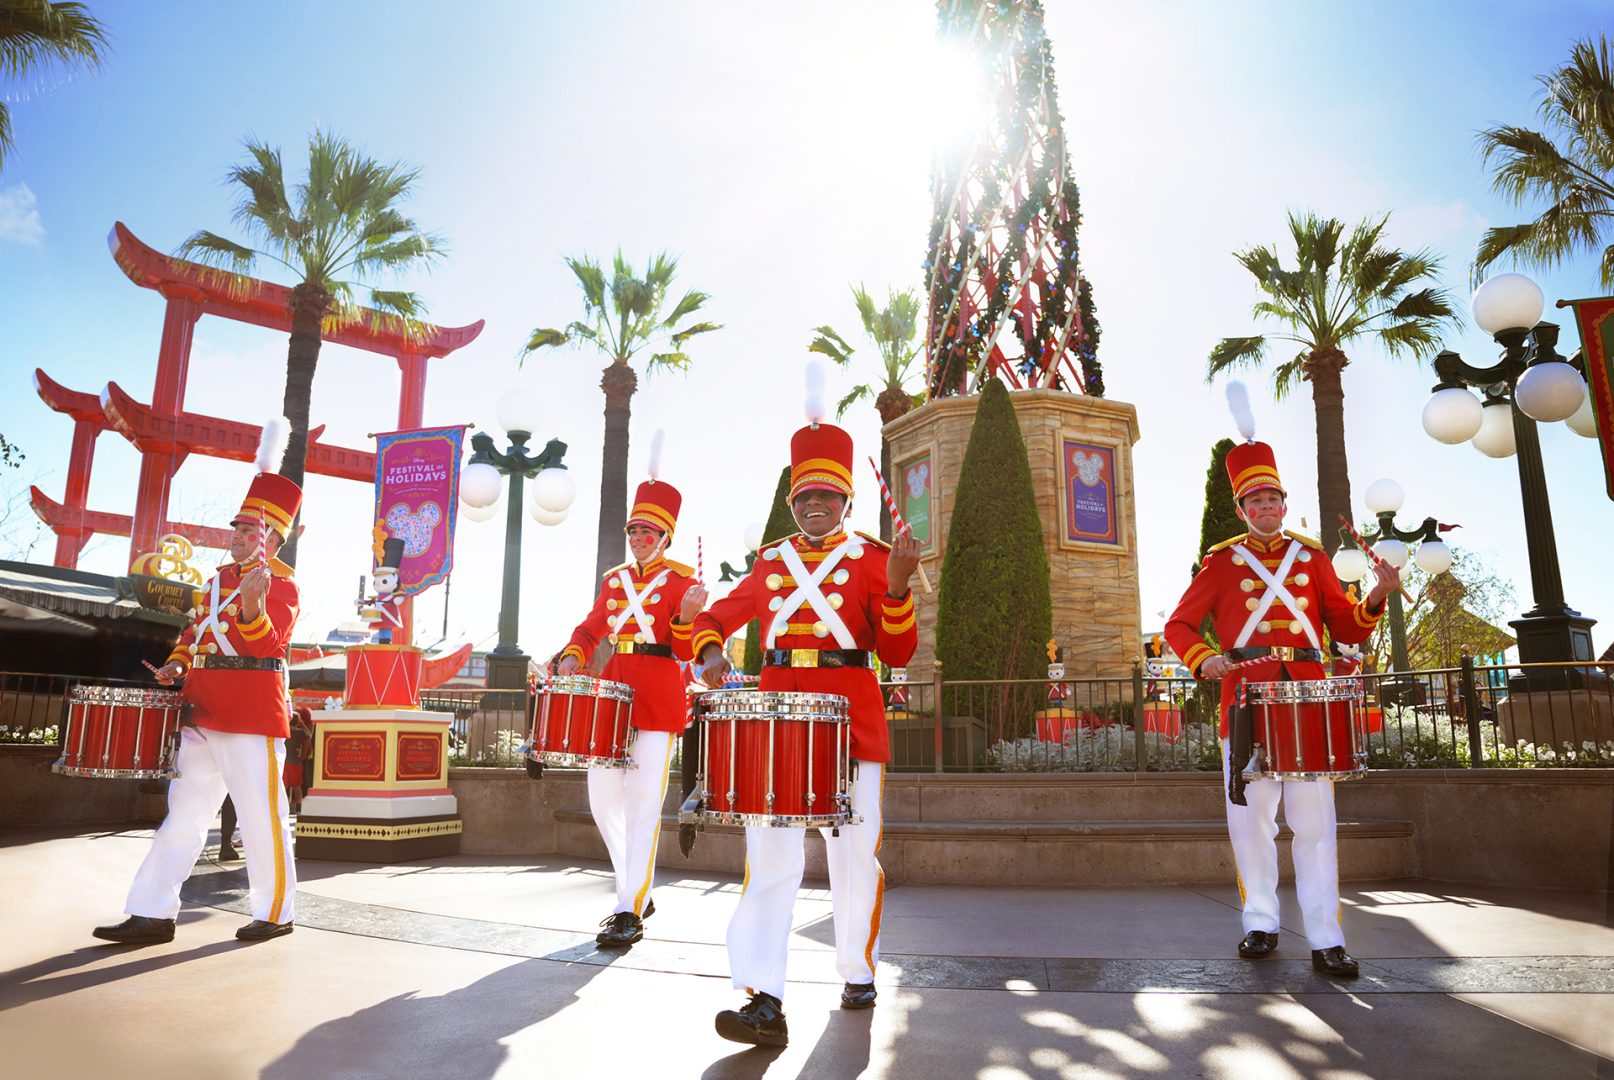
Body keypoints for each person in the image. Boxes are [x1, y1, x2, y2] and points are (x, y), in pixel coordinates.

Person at [688, 405, 919, 1047]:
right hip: (779, 725)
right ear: (793, 500)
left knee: (853, 859)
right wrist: (708, 652)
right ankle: (764, 998)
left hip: (851, 723)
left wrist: (897, 589)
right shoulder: (769, 563)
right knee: (769, 859)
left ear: (845, 498)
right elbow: (719, 619)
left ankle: (856, 968)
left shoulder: (873, 560)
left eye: (826, 493)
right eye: (804, 494)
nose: (814, 503)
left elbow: (897, 654)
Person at [1164, 420, 1396, 978]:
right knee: (1252, 822)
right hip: (1246, 701)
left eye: (1273, 498)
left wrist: (1381, 592)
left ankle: (1326, 936)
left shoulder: (1312, 558)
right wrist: (1206, 659)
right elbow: (1179, 626)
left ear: (1283, 505)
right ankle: (1260, 923)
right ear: (1242, 509)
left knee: (1316, 824)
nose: (1266, 507)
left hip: (1307, 701)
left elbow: (1347, 624)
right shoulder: (1221, 563)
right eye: (1255, 500)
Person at [94, 422, 302, 944]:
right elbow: (195, 636)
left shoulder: (283, 583)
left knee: (260, 818)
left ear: (272, 538)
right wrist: (177, 666)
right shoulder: (214, 583)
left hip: (252, 711)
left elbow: (268, 644)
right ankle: (152, 912)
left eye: (247, 531)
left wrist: (254, 608)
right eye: (235, 529)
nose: (235, 536)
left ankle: (275, 912)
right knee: (183, 816)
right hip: (203, 709)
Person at [555, 464, 704, 948]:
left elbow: (684, 651)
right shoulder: (616, 581)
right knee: (602, 801)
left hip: (658, 695)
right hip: (613, 697)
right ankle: (636, 889)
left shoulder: (684, 583)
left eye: (647, 531)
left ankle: (627, 910)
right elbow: (589, 628)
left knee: (643, 807)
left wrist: (685, 619)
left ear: (665, 535)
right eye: (634, 530)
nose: (638, 537)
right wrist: (572, 656)